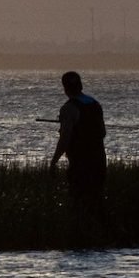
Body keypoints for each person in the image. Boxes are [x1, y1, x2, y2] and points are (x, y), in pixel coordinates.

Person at [50, 70, 106, 203]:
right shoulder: (95, 104)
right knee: (96, 200)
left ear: (65, 88)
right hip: (100, 160)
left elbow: (64, 139)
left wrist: (54, 161)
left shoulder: (68, 108)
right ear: (81, 86)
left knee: (78, 201)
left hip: (79, 164)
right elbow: (103, 133)